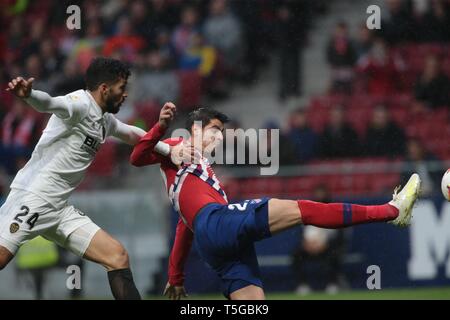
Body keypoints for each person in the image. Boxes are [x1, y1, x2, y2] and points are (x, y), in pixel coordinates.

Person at [130, 106, 421, 300]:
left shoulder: (198, 172)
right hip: (216, 223)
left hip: (215, 241)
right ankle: (390, 210)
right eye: (215, 129)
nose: (220, 136)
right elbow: (138, 156)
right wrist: (161, 127)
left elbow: (186, 227)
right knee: (303, 209)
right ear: (195, 129)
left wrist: (176, 277)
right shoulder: (179, 148)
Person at [0, 57, 189, 300]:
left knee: (117, 256)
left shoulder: (104, 120)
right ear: (104, 89)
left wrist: (169, 150)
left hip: (59, 209)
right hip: (32, 197)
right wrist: (29, 95)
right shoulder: (78, 103)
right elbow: (49, 103)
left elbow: (133, 134)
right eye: (122, 89)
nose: (125, 95)